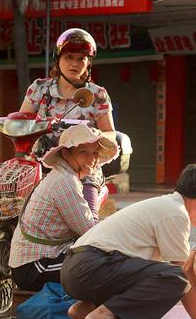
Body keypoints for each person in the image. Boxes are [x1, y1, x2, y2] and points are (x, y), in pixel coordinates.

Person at [61, 162, 196, 319]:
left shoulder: (166, 205)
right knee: (178, 277)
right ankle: (101, 316)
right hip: (90, 266)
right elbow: (185, 275)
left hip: (74, 269)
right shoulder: (176, 213)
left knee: (162, 274)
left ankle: (84, 310)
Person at [20, 28, 118, 220]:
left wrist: (94, 135)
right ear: (58, 59)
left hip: (83, 166)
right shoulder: (39, 89)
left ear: (88, 62)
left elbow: (110, 133)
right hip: (41, 163)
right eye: (69, 57)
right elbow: (21, 121)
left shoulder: (97, 94)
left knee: (88, 217)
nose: (74, 63)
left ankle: (89, 237)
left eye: (81, 58)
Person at [8, 124, 118, 291]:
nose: (92, 159)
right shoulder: (65, 181)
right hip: (34, 267)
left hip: (44, 258)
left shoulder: (65, 175)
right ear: (66, 153)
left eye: (95, 153)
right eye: (84, 152)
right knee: (103, 266)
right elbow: (88, 230)